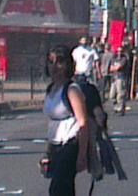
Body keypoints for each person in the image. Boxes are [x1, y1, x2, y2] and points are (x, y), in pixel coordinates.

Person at [43, 46, 89, 196]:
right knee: (65, 188)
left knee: (57, 187)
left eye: (60, 61)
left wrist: (82, 155)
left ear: (68, 65)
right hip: (56, 144)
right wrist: (48, 152)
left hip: (71, 142)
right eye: (51, 61)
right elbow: (52, 123)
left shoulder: (72, 89)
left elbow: (83, 122)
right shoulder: (50, 89)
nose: (54, 66)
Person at [109, 42, 130, 116]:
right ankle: (116, 107)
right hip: (113, 78)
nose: (119, 52)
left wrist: (115, 67)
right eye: (118, 51)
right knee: (111, 95)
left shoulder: (124, 58)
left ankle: (121, 108)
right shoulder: (113, 58)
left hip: (121, 77)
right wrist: (115, 67)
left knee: (120, 94)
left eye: (121, 51)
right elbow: (111, 68)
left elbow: (119, 67)